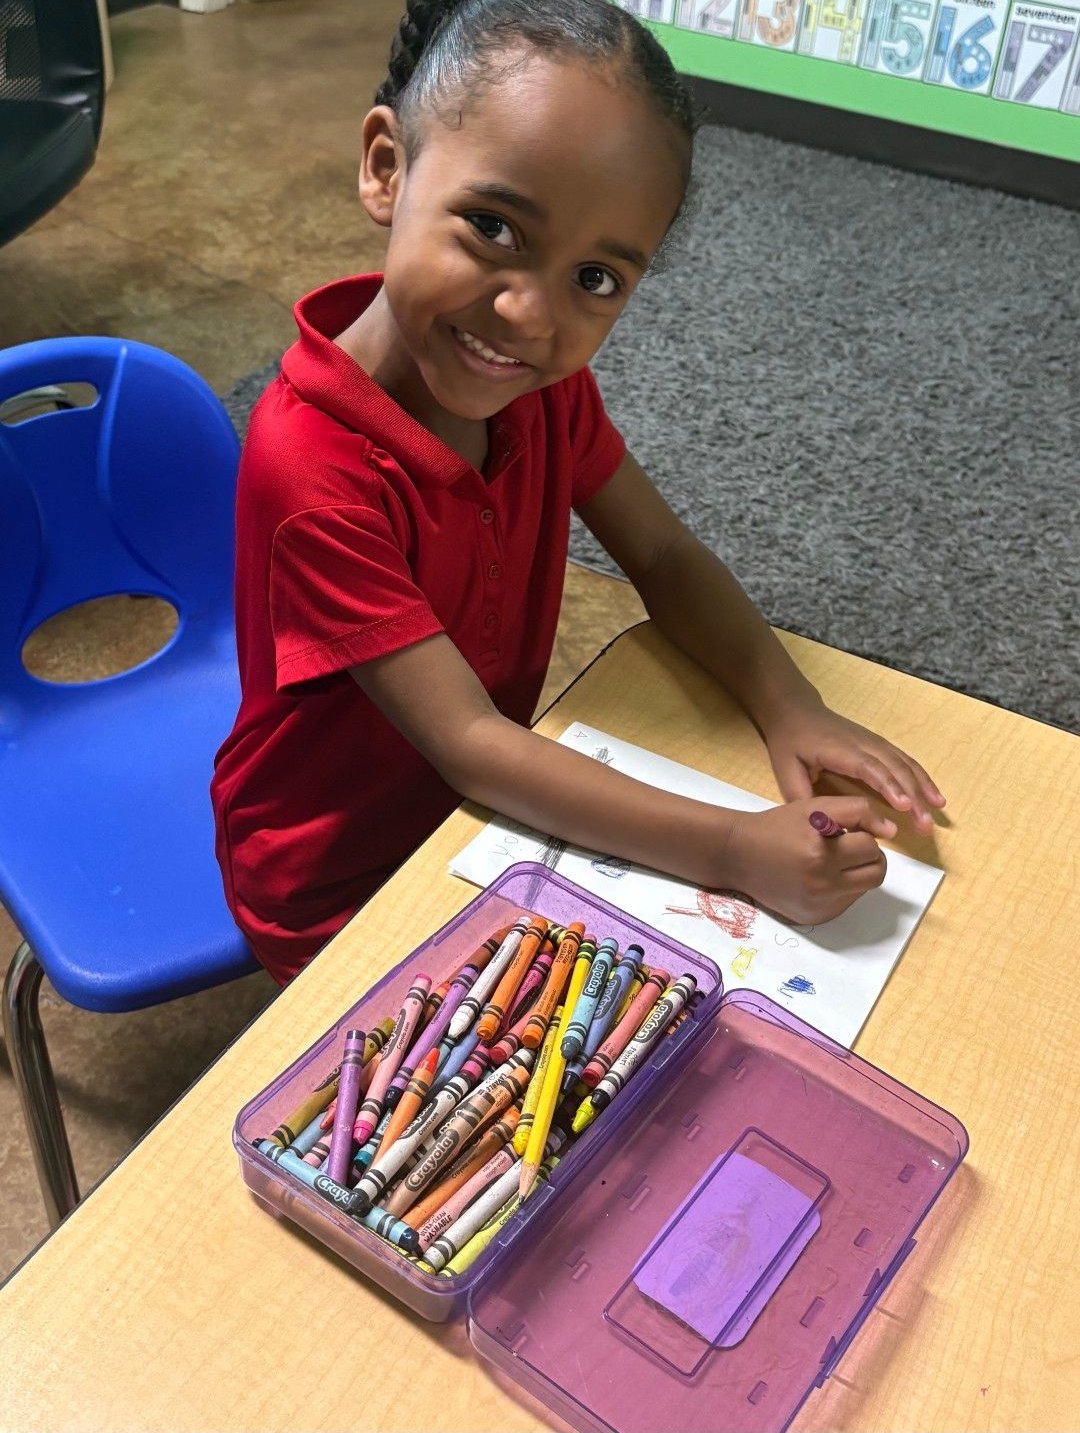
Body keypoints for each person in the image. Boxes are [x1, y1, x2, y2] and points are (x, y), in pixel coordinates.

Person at [211, 0, 945, 986]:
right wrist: (734, 848)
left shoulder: (545, 393)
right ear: (388, 168)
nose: (527, 315)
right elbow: (471, 741)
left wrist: (788, 703)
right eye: (492, 227)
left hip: (485, 820)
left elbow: (666, 556)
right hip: (337, 877)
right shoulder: (311, 461)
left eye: (595, 277)